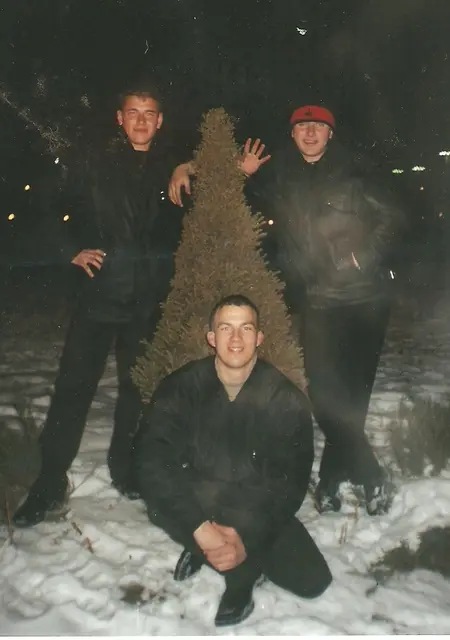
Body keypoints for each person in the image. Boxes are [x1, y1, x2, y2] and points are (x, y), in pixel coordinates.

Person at [169, 105, 405, 516]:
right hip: (318, 301)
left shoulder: (356, 170)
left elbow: (392, 217)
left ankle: (331, 479)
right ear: (292, 135)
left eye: (318, 127)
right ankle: (371, 475)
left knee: (355, 396)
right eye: (302, 127)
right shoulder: (280, 175)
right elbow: (225, 176)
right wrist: (188, 167)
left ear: (330, 134)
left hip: (365, 300)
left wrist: (360, 257)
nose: (310, 133)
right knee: (325, 396)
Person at [13, 80, 183, 528]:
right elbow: (41, 202)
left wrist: (189, 166)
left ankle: (125, 469)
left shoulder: (169, 165)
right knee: (73, 390)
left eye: (149, 113)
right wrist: (68, 248)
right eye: (133, 112)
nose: (141, 121)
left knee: (136, 391)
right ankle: (49, 481)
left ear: (160, 121)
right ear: (120, 118)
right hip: (99, 295)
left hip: (146, 301)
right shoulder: (93, 162)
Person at [135, 294, 332, 628]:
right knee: (163, 502)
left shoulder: (285, 398)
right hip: (197, 499)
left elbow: (290, 484)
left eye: (246, 328)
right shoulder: (181, 388)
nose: (236, 338)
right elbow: (151, 461)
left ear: (259, 337)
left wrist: (246, 540)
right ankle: (236, 577)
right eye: (226, 328)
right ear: (211, 337)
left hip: (254, 507)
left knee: (312, 581)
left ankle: (224, 556)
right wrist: (200, 530)